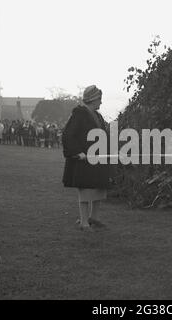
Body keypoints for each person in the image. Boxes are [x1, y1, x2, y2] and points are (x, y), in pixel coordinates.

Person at [62, 85, 110, 231]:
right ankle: (83, 222)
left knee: (99, 188)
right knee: (85, 190)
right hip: (83, 160)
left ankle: (94, 217)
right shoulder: (79, 114)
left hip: (97, 159)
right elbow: (68, 135)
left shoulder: (99, 116)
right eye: (99, 99)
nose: (101, 102)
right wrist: (77, 152)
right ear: (93, 99)